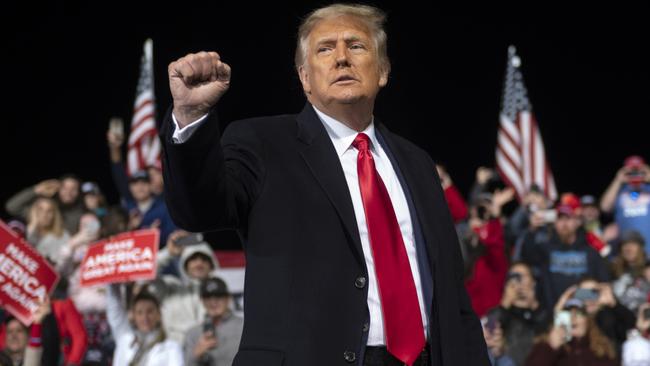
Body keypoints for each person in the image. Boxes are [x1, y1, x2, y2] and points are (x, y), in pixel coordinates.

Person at [160, 3, 489, 365]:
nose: (342, 58)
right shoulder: (262, 143)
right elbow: (198, 210)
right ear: (304, 78)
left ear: (383, 71)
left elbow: (453, 298)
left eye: (357, 46)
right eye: (325, 48)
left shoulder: (418, 164)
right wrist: (191, 116)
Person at [525, 298, 617, 366]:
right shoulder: (544, 347)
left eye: (579, 313)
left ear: (588, 321)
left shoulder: (601, 349)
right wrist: (551, 347)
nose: (573, 318)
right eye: (568, 314)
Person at [106, 286, 183, 366]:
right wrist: (112, 285)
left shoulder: (171, 347)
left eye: (150, 311)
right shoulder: (125, 340)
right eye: (140, 312)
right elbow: (114, 307)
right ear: (134, 316)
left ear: (158, 315)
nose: (145, 317)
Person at [495, 262, 550, 366]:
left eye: (523, 276)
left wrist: (533, 304)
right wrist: (506, 302)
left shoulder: (541, 311)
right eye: (514, 276)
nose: (518, 280)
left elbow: (549, 333)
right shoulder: (503, 310)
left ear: (533, 282)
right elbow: (490, 329)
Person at [183, 277, 244, 366]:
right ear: (202, 301)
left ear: (228, 298)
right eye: (207, 297)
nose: (213, 302)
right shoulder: (192, 333)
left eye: (218, 296)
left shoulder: (244, 327)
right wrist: (196, 355)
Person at [600, 155, 650, 253]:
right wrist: (618, 180)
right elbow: (605, 207)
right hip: (626, 253)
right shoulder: (620, 192)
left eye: (638, 170)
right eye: (631, 171)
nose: (635, 173)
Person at [5, 175, 84, 234]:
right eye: (64, 188)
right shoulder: (45, 207)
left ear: (79, 192)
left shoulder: (81, 214)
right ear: (58, 189)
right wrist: (37, 189)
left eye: (73, 189)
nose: (68, 192)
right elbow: (12, 207)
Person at [25, 197, 70, 265]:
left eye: (49, 211)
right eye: (40, 210)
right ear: (34, 212)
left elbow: (63, 265)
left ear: (54, 215)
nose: (44, 215)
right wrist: (33, 225)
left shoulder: (63, 235)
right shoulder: (27, 230)